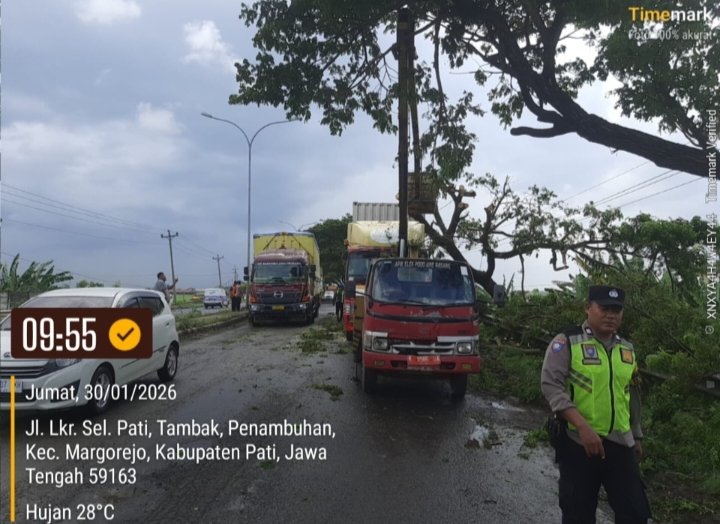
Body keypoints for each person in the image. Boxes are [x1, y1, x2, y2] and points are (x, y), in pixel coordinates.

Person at [541, 285, 651, 524]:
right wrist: (582, 427)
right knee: (578, 514)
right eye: (604, 308)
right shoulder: (567, 342)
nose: (611, 315)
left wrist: (636, 435)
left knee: (635, 513)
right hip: (578, 443)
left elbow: (632, 393)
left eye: (616, 310)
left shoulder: (627, 349)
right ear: (587, 308)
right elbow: (551, 385)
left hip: (621, 444)